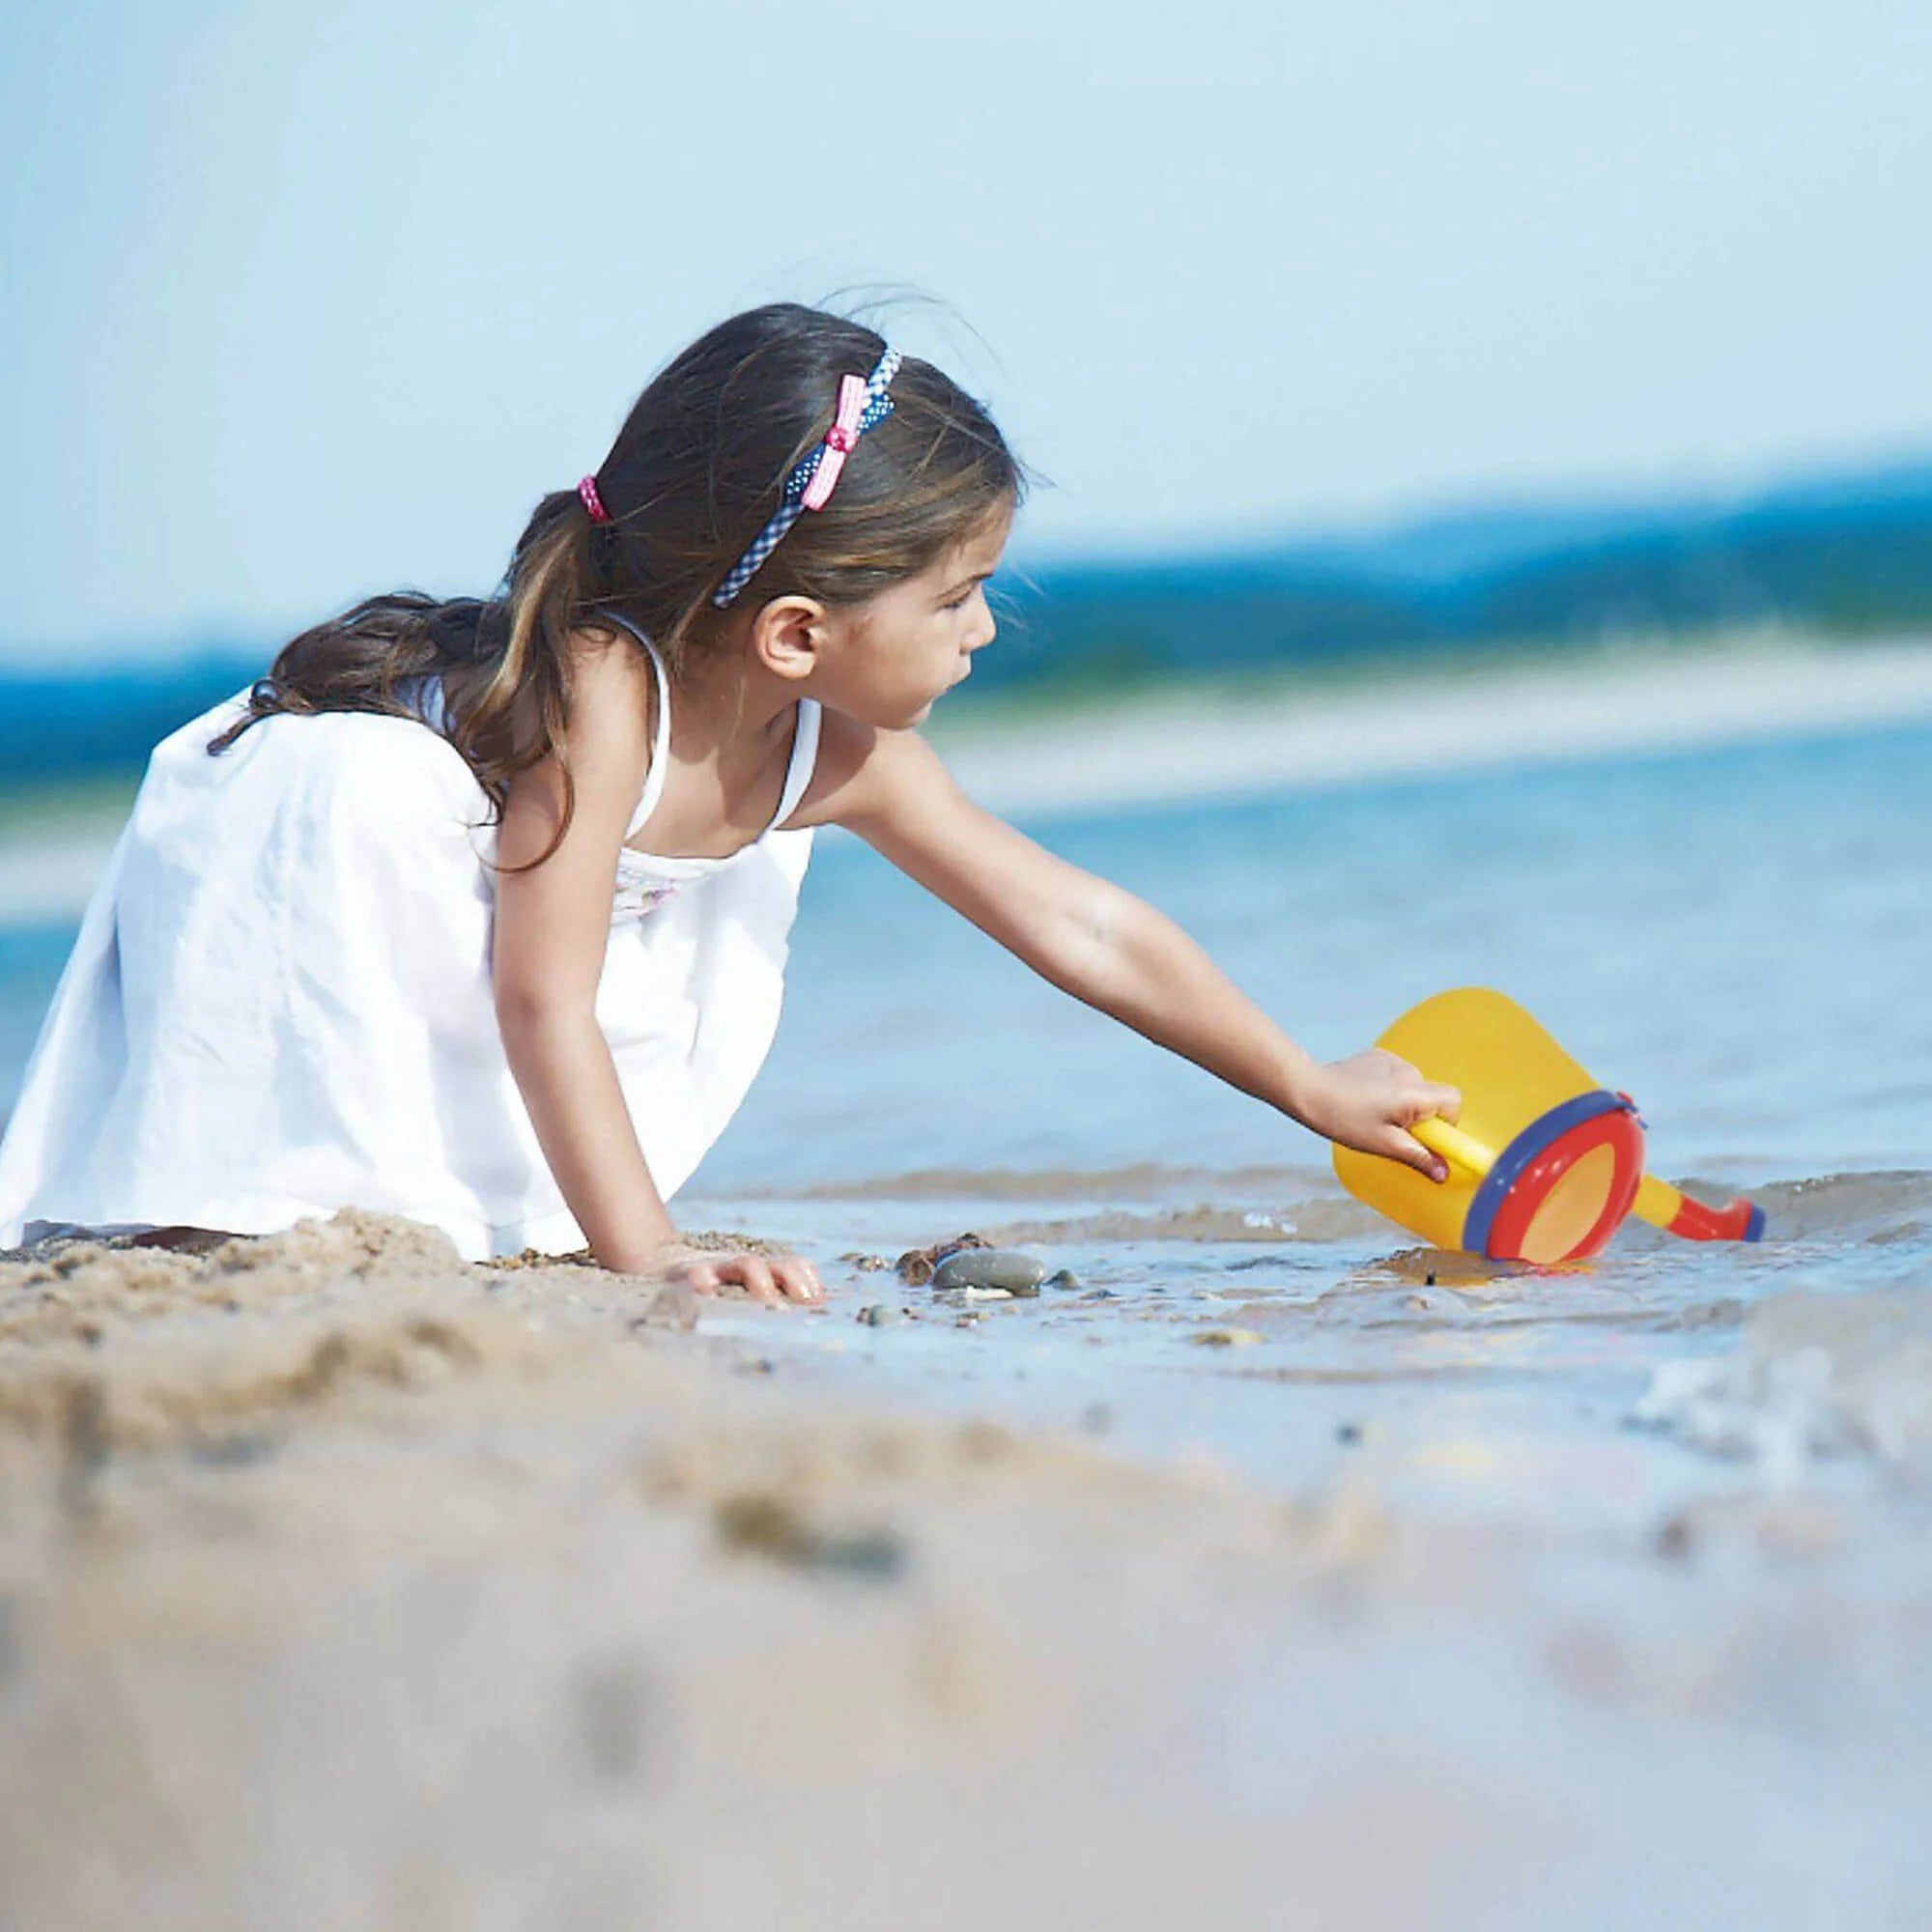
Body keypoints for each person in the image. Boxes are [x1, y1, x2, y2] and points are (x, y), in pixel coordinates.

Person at [0, 303, 1458, 1305]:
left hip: (477, 921)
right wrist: (651, 1258)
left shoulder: (833, 754)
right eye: (956, 598)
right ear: (796, 636)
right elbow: (541, 1003)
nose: (985, 632)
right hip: (321, 860)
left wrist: (1303, 1081)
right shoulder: (603, 689)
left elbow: (1076, 922)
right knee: (314, 1132)